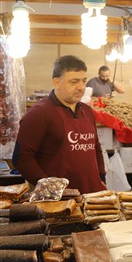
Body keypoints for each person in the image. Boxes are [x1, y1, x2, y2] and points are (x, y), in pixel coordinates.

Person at [12, 55, 107, 194]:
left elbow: (96, 147)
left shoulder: (86, 111)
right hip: (59, 200)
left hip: (92, 194)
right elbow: (21, 158)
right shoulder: (40, 113)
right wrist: (49, 187)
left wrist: (101, 177)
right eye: (74, 82)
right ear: (56, 82)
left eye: (83, 81)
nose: (81, 87)